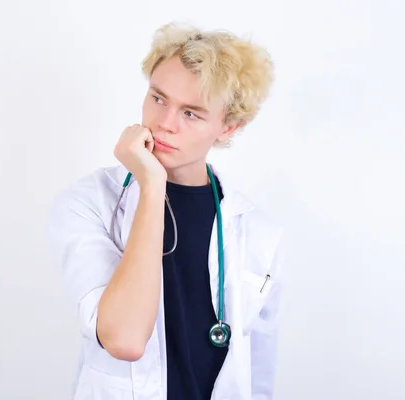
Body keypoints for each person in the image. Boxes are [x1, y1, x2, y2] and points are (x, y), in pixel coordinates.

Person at [46, 22, 285, 400]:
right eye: (158, 98)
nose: (164, 124)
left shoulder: (256, 231)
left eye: (191, 113)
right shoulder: (88, 203)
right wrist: (152, 183)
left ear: (228, 127)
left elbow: (258, 374)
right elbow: (124, 339)